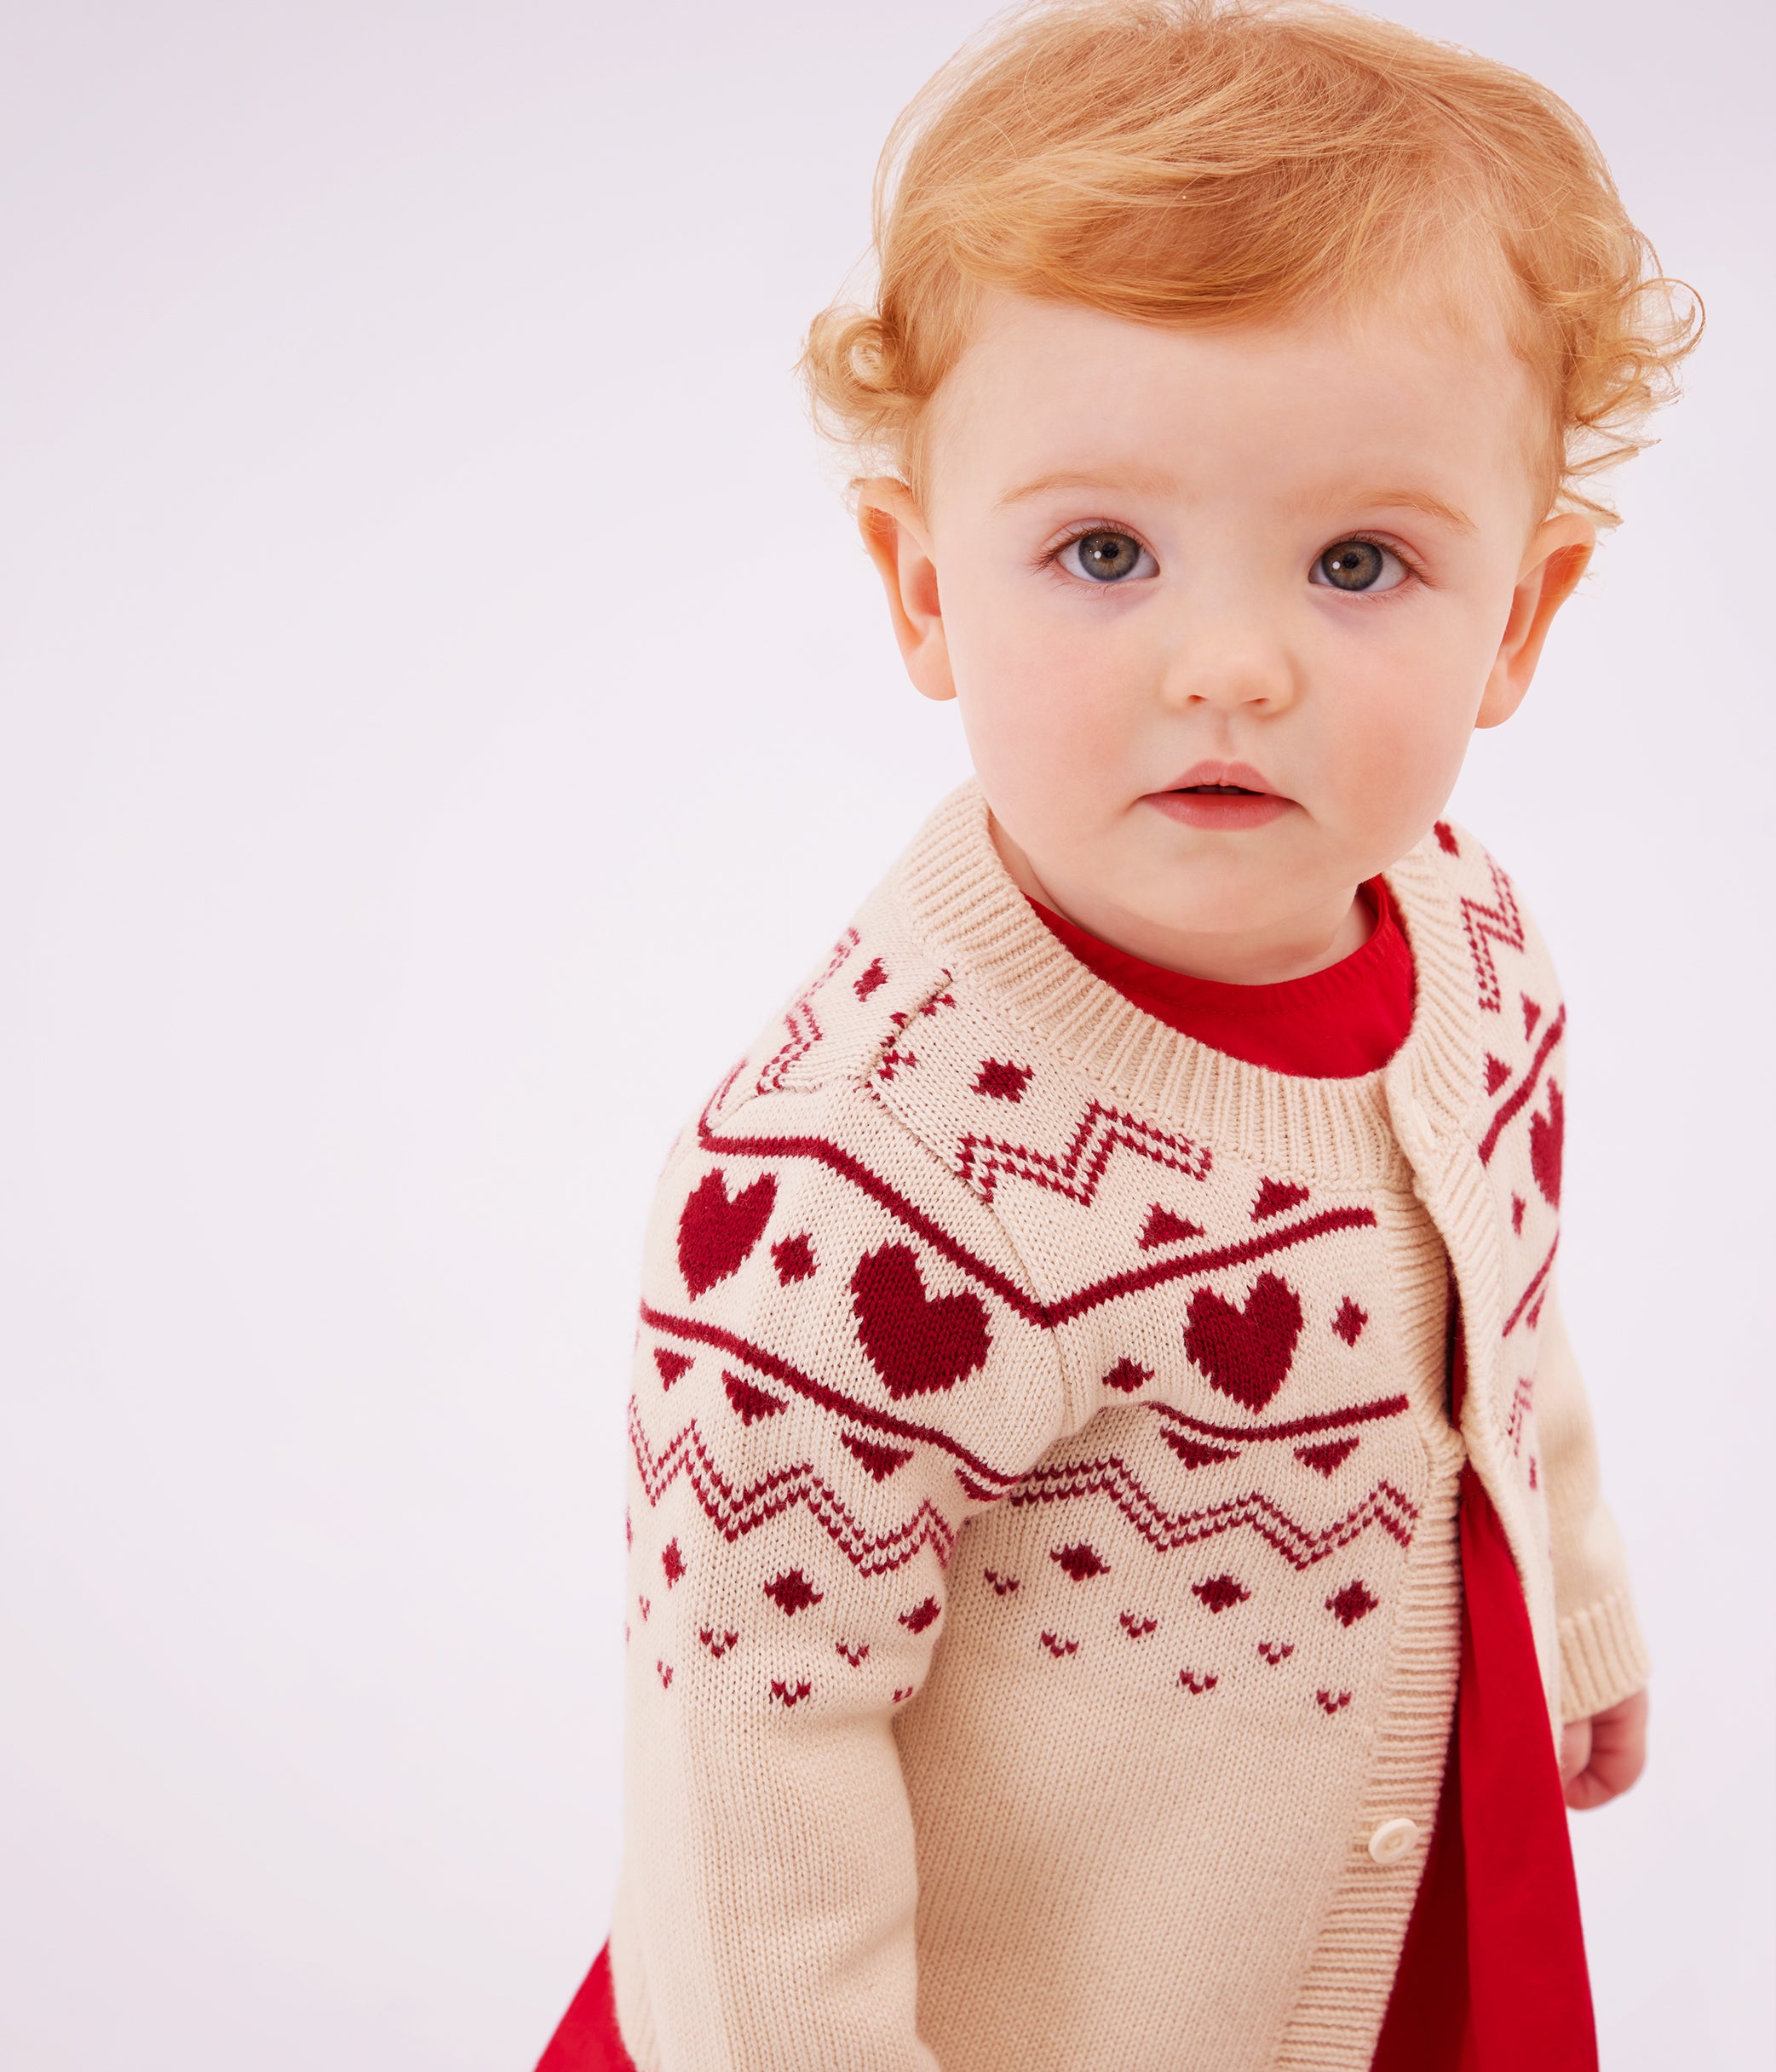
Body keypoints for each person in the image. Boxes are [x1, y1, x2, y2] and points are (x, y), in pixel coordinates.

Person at [538, 3, 1695, 2064]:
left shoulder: (1472, 942)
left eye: (1357, 561)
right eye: (1102, 552)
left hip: (1355, 1911)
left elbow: (1497, 1315)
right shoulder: (855, 1187)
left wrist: (1570, 1595)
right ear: (919, 586)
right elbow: (743, 1766)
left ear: (1518, 617)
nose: (1227, 664)